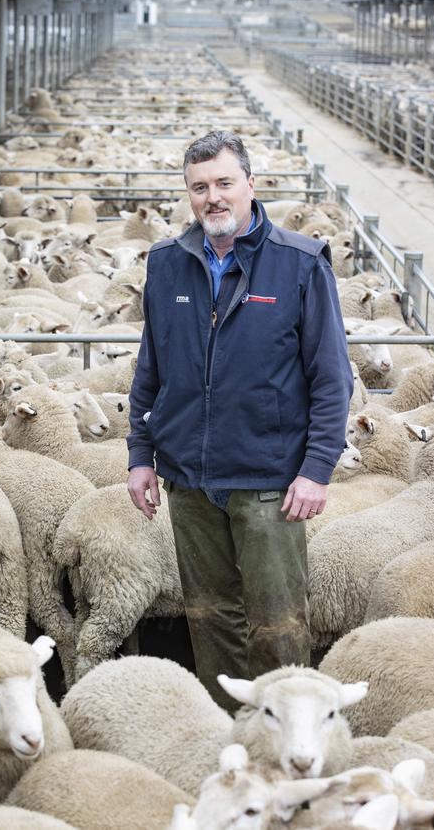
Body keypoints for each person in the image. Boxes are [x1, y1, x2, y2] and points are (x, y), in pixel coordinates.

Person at [126, 130, 353, 712]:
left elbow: (332, 377)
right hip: (190, 480)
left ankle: (286, 738)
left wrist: (317, 469)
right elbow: (152, 367)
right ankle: (227, 736)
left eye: (225, 183)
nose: (213, 198)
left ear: (252, 185)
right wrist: (140, 455)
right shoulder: (168, 265)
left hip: (268, 481)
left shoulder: (299, 264)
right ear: (189, 194)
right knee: (209, 620)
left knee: (278, 623)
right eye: (200, 187)